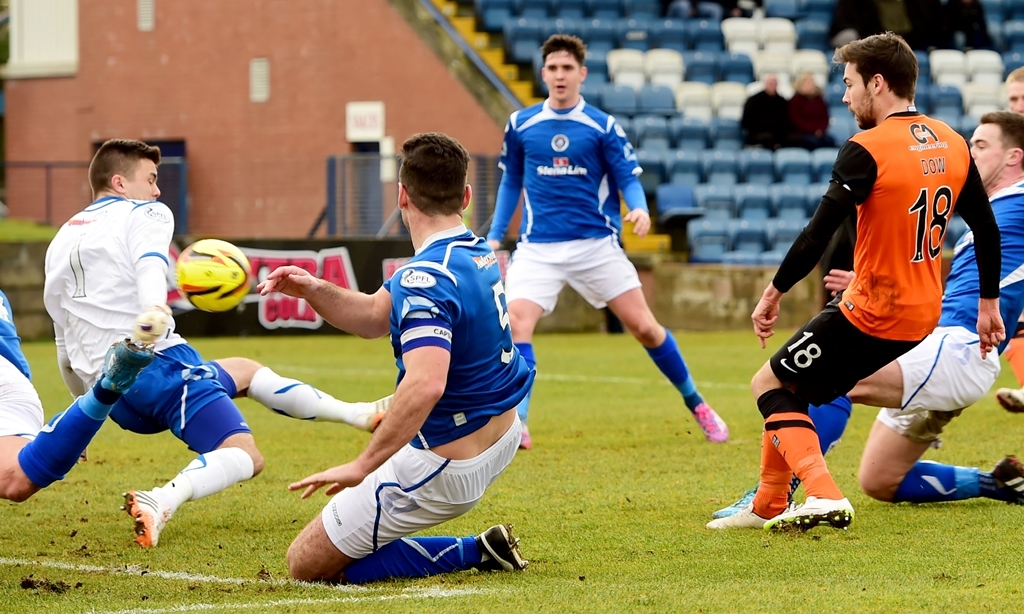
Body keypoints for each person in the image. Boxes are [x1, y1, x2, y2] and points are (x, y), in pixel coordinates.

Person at [707, 32, 1005, 531]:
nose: (845, 97)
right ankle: (768, 502)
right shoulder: (952, 141)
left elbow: (815, 236)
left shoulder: (867, 147)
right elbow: (986, 228)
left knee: (769, 384)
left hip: (873, 309)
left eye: (849, 84)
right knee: (795, 385)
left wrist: (772, 292)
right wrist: (988, 304)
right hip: (920, 316)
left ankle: (822, 494)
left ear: (878, 83)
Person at [43, 139, 391, 548]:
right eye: (151, 179)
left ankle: (359, 414)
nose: (157, 191)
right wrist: (154, 309)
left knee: (242, 369)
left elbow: (63, 343)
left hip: (114, 395)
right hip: (157, 366)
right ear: (120, 182)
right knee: (247, 456)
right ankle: (161, 499)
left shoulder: (61, 239)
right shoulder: (146, 212)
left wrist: (82, 419)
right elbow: (150, 264)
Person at [259, 132, 532, 584]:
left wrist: (362, 465)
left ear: (402, 195)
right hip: (502, 438)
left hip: (448, 465)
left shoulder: (425, 277)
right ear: (464, 197)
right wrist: (311, 288)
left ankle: (474, 552)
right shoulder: (477, 251)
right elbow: (371, 315)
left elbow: (426, 384)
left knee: (305, 564)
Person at [486, 34, 728, 449]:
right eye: (553, 68)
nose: (560, 76)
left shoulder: (601, 126)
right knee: (517, 326)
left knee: (645, 328)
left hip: (595, 245)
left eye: (568, 69)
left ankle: (698, 405)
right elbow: (511, 181)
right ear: (544, 73)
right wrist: (493, 235)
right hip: (538, 248)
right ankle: (519, 423)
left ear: (582, 74)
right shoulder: (521, 124)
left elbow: (627, 180)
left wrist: (639, 209)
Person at [0, 288, 154, 502]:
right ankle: (106, 390)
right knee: (16, 479)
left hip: (9, 385)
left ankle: (106, 389)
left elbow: (65, 353)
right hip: (13, 386)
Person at [742, 74, 792, 151]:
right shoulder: (753, 101)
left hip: (778, 134)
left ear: (777, 84)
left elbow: (786, 121)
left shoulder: (782, 102)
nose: (772, 85)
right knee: (768, 138)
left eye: (774, 83)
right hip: (758, 134)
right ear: (764, 84)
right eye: (770, 83)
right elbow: (746, 121)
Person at [789, 73, 836, 151]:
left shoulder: (819, 99)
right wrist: (812, 130)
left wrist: (820, 130)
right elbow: (796, 119)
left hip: (819, 133)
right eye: (807, 83)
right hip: (802, 133)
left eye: (811, 82)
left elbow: (825, 117)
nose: (810, 85)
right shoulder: (795, 100)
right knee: (812, 142)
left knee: (830, 140)